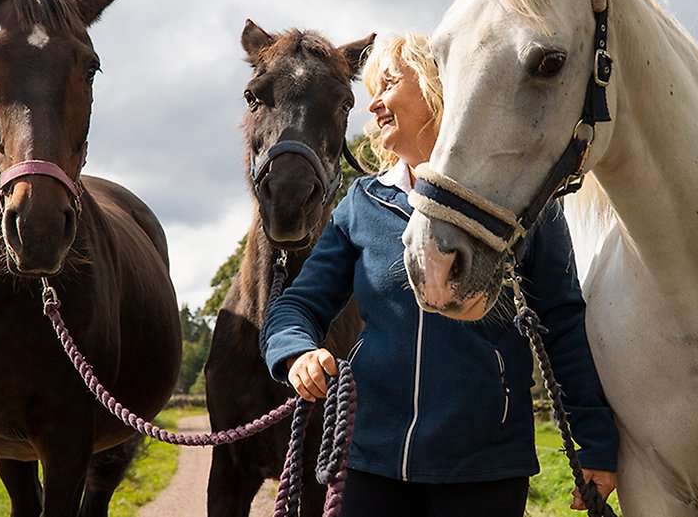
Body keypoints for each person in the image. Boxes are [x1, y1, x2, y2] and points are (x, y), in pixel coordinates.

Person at [261, 33, 618, 516]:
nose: (375, 104)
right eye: (371, 93)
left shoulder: (522, 199)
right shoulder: (362, 204)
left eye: (387, 83)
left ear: (437, 85)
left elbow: (562, 321)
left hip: (484, 471)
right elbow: (297, 305)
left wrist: (593, 442)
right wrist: (296, 351)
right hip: (369, 462)